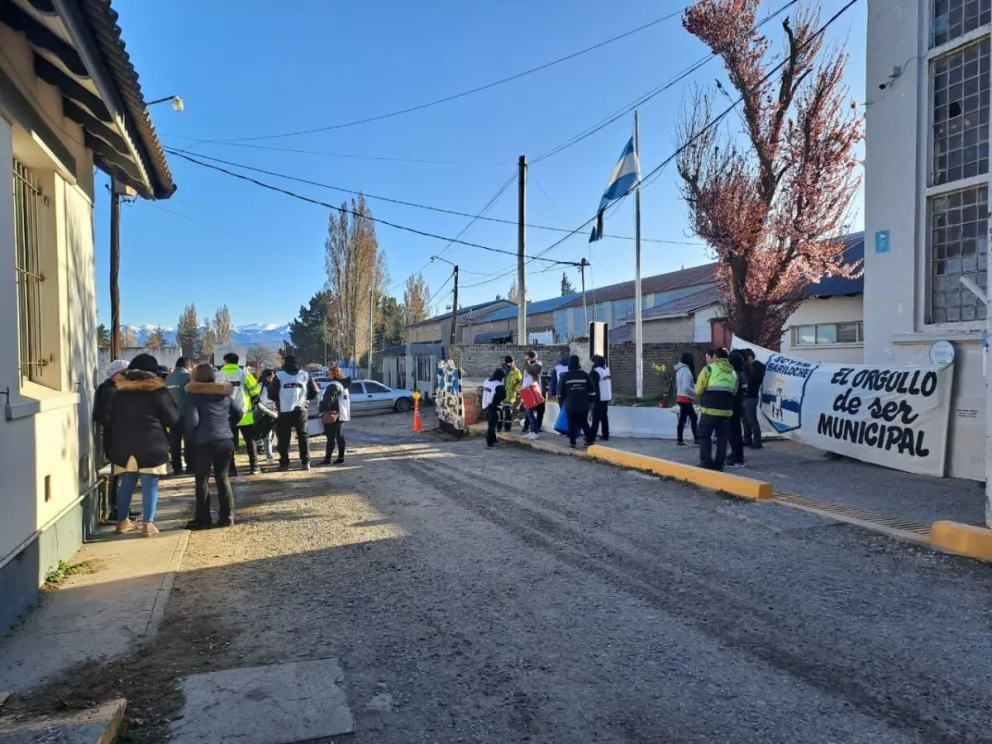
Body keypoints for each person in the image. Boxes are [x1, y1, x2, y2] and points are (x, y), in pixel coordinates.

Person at [108, 353, 180, 535]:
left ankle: (122, 522)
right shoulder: (158, 390)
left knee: (126, 482)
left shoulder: (119, 390)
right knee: (149, 483)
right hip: (151, 441)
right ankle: (148, 524)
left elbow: (110, 416)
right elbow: (172, 417)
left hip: (122, 442)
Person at [184, 363, 242, 529]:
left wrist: (190, 439)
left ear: (196, 377)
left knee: (201, 480)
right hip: (225, 440)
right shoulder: (224, 394)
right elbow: (238, 412)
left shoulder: (194, 396)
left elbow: (192, 421)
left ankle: (203, 519)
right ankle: (227, 517)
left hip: (203, 442)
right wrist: (227, 426)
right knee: (223, 478)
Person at [94, 359, 130, 522]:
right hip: (116, 439)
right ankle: (116, 509)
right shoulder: (110, 391)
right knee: (118, 475)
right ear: (117, 375)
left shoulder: (113, 389)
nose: (128, 376)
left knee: (122, 475)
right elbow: (103, 415)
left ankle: (122, 508)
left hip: (117, 437)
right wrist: (118, 426)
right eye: (125, 373)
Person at [268, 355, 319, 471]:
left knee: (283, 439)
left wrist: (279, 400)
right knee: (303, 437)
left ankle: (284, 463)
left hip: (284, 410)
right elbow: (315, 391)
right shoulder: (305, 375)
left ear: (285, 363)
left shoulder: (280, 376)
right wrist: (306, 399)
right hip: (301, 410)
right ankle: (305, 462)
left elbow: (270, 394)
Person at [215, 353, 262, 476]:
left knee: (229, 442)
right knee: (250, 440)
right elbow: (256, 390)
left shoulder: (218, 375)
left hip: (226, 415)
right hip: (245, 413)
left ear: (225, 361)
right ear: (237, 362)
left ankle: (231, 469)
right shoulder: (244, 374)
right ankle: (255, 466)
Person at [695, 348, 739, 471]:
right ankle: (719, 465)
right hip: (726, 411)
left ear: (715, 357)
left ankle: (706, 462)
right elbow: (734, 392)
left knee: (704, 435)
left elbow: (698, 390)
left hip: (709, 410)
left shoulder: (708, 369)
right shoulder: (733, 373)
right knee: (722, 438)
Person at [319, 364, 352, 465]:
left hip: (333, 414)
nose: (327, 375)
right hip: (342, 414)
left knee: (331, 437)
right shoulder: (343, 385)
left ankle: (327, 459)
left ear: (334, 374)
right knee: (339, 436)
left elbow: (327, 401)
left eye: (328, 373)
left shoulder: (334, 385)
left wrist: (321, 410)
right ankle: (340, 458)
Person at [559, 355, 594, 449]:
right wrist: (591, 402)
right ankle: (590, 441)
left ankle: (572, 443)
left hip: (570, 404)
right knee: (584, 423)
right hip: (584, 404)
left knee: (571, 423)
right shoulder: (585, 374)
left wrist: (563, 400)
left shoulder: (565, 376)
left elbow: (560, 391)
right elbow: (592, 390)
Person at [164, 357, 192, 475]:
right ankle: (190, 466)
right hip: (186, 414)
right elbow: (191, 394)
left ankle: (177, 468)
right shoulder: (188, 377)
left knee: (174, 443)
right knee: (189, 442)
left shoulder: (168, 378)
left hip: (171, 415)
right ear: (187, 365)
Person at [741, 348, 765, 449]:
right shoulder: (747, 366)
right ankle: (747, 439)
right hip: (745, 396)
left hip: (751, 396)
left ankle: (757, 441)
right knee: (745, 419)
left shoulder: (758, 366)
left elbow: (755, 380)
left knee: (752, 419)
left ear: (750, 357)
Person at [727, 350, 747, 468]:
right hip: (739, 405)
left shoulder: (734, 375)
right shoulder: (742, 373)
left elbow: (732, 391)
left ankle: (737, 458)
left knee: (733, 433)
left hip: (733, 405)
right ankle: (737, 455)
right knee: (737, 432)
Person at [253, 369, 278, 464]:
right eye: (269, 377)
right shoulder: (260, 386)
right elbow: (254, 397)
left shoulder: (276, 386)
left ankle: (269, 457)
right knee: (252, 427)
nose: (271, 379)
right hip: (261, 410)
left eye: (272, 377)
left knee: (268, 436)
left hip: (272, 413)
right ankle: (259, 444)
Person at [674, 352, 699, 446]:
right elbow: (686, 387)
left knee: (682, 419)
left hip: (680, 397)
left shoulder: (679, 370)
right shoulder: (686, 371)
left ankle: (680, 440)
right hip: (685, 398)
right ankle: (696, 439)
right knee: (693, 417)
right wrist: (696, 392)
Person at [521, 350, 545, 438]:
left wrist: (527, 364)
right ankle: (532, 431)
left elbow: (533, 371)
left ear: (532, 357)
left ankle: (535, 431)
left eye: (527, 356)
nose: (525, 358)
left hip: (533, 390)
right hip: (526, 390)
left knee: (531, 412)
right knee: (529, 412)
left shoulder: (538, 364)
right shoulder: (528, 365)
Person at [588, 355, 612, 442]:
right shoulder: (606, 369)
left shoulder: (595, 372)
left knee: (596, 418)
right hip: (607, 396)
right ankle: (605, 435)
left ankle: (592, 437)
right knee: (604, 417)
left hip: (598, 397)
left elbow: (591, 385)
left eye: (593, 362)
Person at [482, 368, 506, 449]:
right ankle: (489, 443)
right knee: (492, 426)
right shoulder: (498, 385)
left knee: (491, 424)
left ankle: (494, 440)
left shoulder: (486, 381)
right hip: (493, 406)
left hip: (485, 405)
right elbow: (503, 396)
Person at [500, 355, 523, 433]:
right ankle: (498, 428)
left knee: (508, 413)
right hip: (500, 394)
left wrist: (515, 389)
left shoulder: (517, 371)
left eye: (513, 361)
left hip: (510, 395)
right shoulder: (501, 370)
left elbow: (520, 382)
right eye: (511, 362)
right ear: (507, 362)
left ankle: (507, 428)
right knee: (499, 412)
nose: (512, 363)